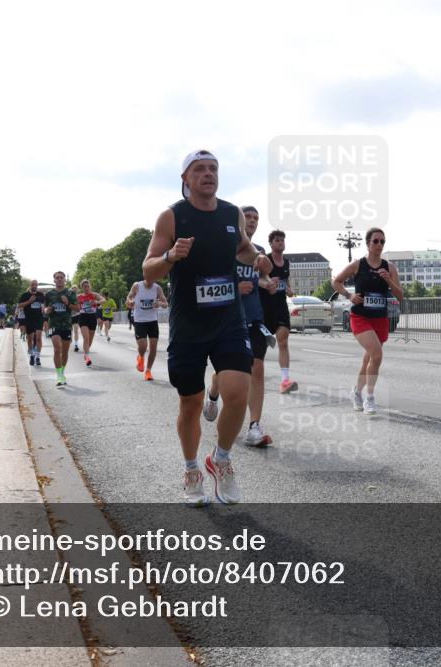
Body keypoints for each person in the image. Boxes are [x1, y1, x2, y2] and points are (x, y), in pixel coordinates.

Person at [142, 149, 271, 506]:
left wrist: (257, 258)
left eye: (213, 168)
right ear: (185, 178)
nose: (208, 174)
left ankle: (221, 459)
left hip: (229, 320)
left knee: (237, 392)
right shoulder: (172, 216)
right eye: (199, 169)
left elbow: (243, 248)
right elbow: (148, 269)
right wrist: (170, 256)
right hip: (189, 325)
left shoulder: (231, 213)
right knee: (190, 403)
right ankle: (191, 469)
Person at [204, 205, 276, 446]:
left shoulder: (259, 252)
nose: (252, 221)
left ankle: (254, 427)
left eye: (256, 218)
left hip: (254, 317)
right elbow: (208, 282)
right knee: (229, 371)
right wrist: (235, 288)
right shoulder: (224, 247)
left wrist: (268, 283)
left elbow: (260, 277)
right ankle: (214, 390)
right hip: (228, 319)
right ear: (239, 221)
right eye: (248, 217)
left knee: (257, 368)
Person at [331, 227, 405, 415]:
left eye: (382, 241)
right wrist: (349, 295)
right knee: (377, 355)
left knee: (369, 359)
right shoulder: (358, 265)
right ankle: (369, 399)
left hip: (380, 318)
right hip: (361, 317)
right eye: (375, 241)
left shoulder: (390, 267)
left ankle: (356, 392)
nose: (379, 244)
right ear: (367, 243)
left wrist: (389, 281)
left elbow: (400, 296)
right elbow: (336, 281)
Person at [260, 230, 298, 393]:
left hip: (281, 307)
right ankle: (254, 376)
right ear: (271, 243)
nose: (280, 242)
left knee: (283, 342)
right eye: (277, 240)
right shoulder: (265, 260)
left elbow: (285, 280)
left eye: (282, 240)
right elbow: (257, 278)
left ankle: (284, 381)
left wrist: (288, 288)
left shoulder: (287, 263)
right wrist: (268, 282)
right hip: (264, 308)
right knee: (260, 347)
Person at [126, 278, 168, 381]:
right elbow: (129, 297)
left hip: (152, 321)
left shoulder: (157, 288)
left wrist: (159, 304)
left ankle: (148, 371)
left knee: (153, 348)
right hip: (140, 321)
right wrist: (130, 302)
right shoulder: (137, 285)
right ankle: (141, 357)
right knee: (143, 346)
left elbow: (165, 304)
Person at [44, 271, 78, 386]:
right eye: (57, 278)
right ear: (54, 280)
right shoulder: (49, 294)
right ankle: (58, 376)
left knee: (65, 351)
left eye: (61, 278)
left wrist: (67, 303)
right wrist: (47, 310)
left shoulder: (70, 293)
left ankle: (62, 372)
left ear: (65, 280)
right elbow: (44, 308)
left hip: (66, 325)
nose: (59, 279)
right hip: (54, 324)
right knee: (57, 349)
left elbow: (77, 308)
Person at [76, 279, 103, 366]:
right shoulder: (79, 296)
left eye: (88, 286)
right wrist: (77, 305)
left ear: (90, 286)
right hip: (83, 317)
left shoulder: (94, 295)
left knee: (90, 339)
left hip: (92, 317)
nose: (86, 288)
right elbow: (72, 304)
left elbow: (103, 300)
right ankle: (87, 357)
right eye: (84, 287)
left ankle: (86, 353)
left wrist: (96, 302)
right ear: (82, 288)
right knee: (86, 337)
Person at [18, 280, 46, 366]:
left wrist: (44, 309)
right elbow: (19, 306)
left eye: (35, 285)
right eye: (32, 284)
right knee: (29, 339)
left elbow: (44, 304)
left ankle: (37, 357)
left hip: (39, 318)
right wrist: (29, 301)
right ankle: (32, 355)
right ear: (30, 285)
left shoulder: (41, 295)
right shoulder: (25, 295)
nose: (34, 286)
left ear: (37, 285)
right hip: (29, 319)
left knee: (38, 338)